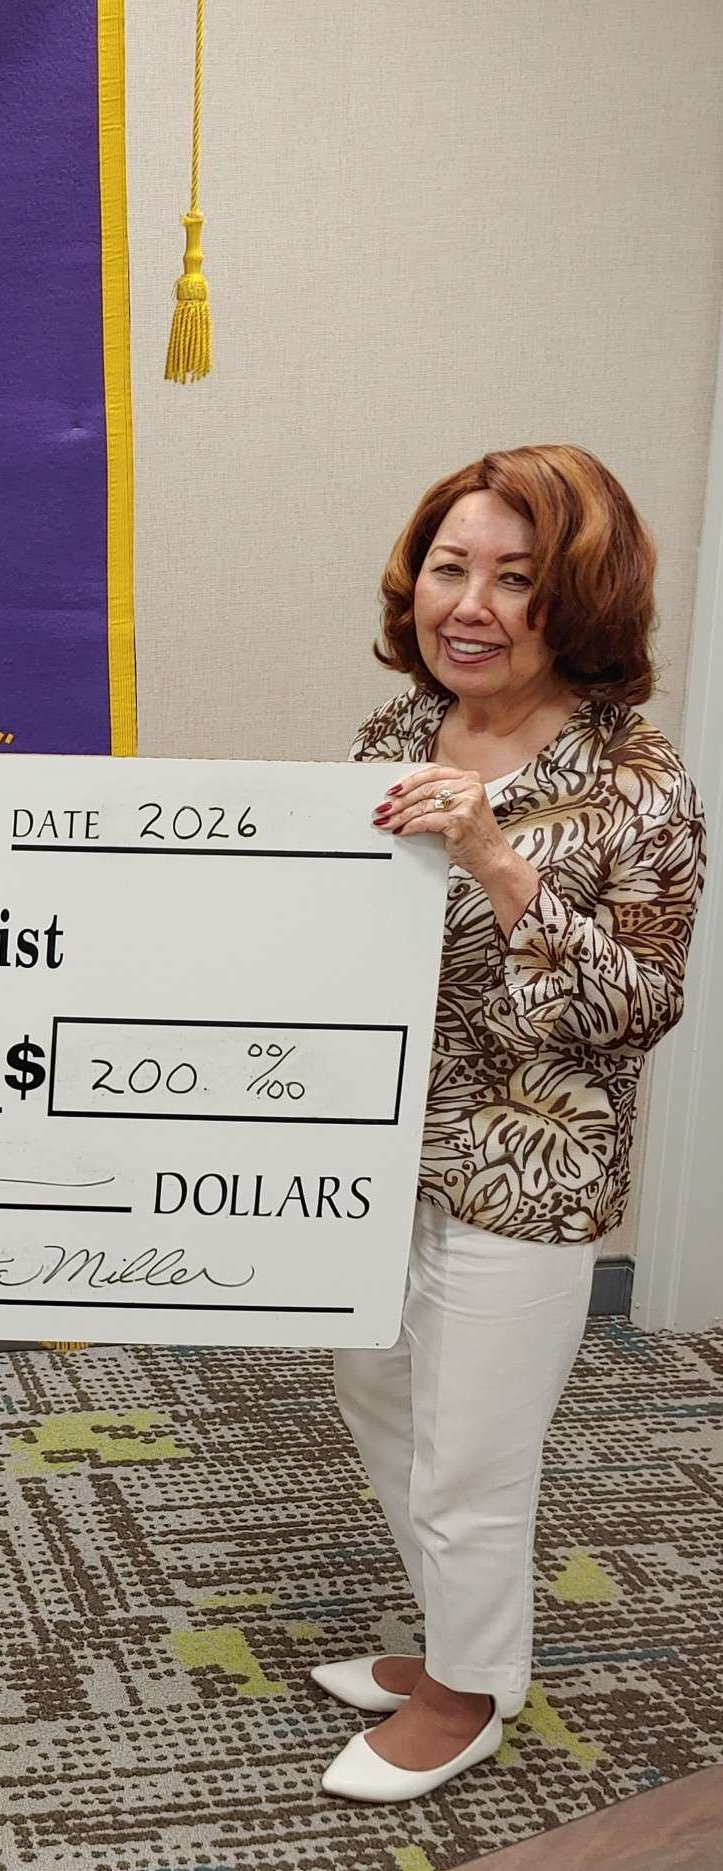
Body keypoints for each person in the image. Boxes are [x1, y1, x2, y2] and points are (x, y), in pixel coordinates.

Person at [313, 444, 705, 1802]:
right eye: (449, 568)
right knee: (380, 1394)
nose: (469, 605)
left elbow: (637, 1005)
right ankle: (463, 1639)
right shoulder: (394, 734)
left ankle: (472, 1695)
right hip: (384, 1146)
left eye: (515, 580)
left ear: (580, 601)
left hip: (530, 1163)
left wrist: (495, 856)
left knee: (474, 1448)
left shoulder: (636, 780)